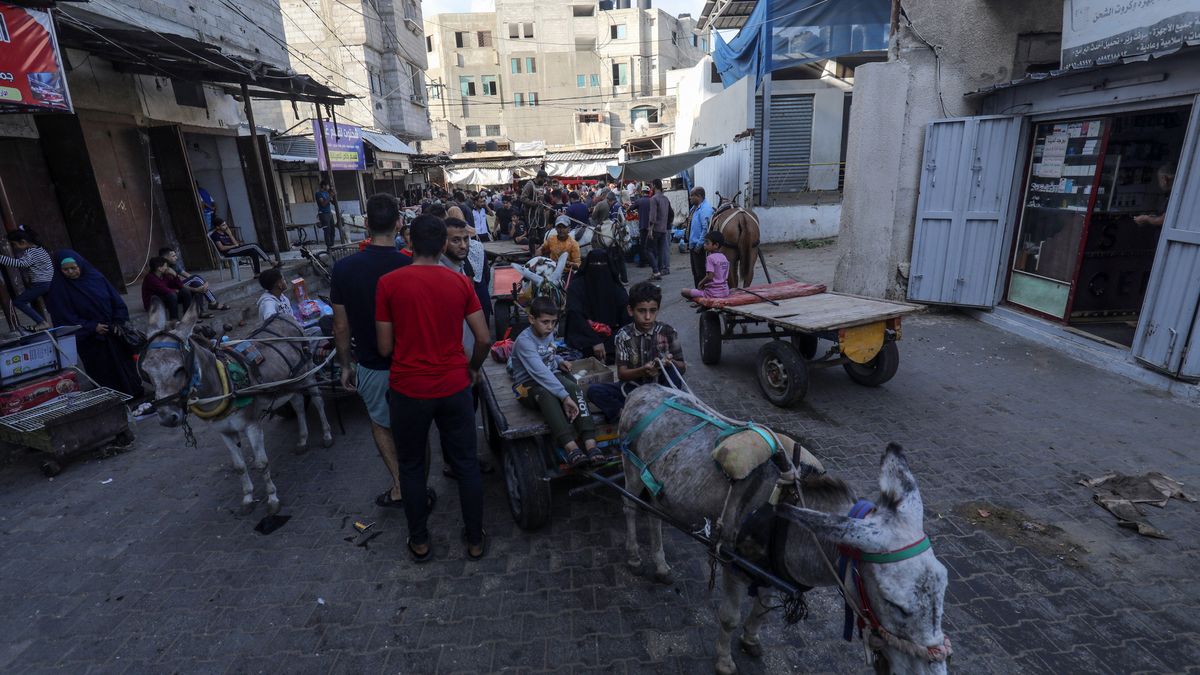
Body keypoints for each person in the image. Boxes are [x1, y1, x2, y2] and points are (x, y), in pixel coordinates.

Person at [376, 214, 492, 562]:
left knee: (411, 466)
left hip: (409, 389)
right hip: (454, 385)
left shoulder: (388, 283)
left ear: (409, 242)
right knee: (466, 464)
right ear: (443, 244)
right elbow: (484, 338)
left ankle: (420, 541)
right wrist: (473, 368)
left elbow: (384, 347)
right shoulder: (460, 282)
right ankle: (475, 539)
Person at [331, 194, 412, 509]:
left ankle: (399, 485)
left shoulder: (343, 269)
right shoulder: (409, 265)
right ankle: (417, 486)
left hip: (370, 364)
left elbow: (341, 326)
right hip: (411, 365)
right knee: (415, 428)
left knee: (381, 424)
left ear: (366, 224)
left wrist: (345, 365)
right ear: (399, 224)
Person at [510, 296, 600, 467]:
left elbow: (548, 353)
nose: (550, 327)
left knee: (574, 388)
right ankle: (571, 448)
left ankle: (591, 444)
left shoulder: (548, 332)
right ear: (531, 319)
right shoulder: (524, 342)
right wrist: (564, 397)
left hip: (550, 375)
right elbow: (540, 371)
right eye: (545, 322)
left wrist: (559, 361)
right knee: (547, 395)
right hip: (527, 385)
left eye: (553, 322)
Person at [45, 250, 142, 398]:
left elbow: (116, 300)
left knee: (126, 366)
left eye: (74, 268)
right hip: (91, 341)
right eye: (66, 269)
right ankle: (113, 399)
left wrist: (118, 321)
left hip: (113, 332)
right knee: (104, 370)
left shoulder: (96, 277)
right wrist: (92, 327)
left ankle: (135, 392)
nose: (70, 272)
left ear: (80, 265)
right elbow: (64, 318)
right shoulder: (58, 290)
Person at [586, 281, 685, 422]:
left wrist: (670, 362)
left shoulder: (668, 331)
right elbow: (622, 374)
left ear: (658, 309)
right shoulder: (623, 335)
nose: (648, 317)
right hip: (632, 390)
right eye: (641, 311)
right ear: (630, 310)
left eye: (653, 311)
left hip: (662, 391)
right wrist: (643, 371)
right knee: (594, 391)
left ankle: (657, 411)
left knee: (672, 371)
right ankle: (627, 417)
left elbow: (682, 367)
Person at [565, 249, 629, 361]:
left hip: (611, 336)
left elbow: (627, 319)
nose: (598, 268)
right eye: (594, 264)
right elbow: (575, 315)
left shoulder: (617, 289)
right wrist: (593, 340)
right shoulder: (576, 287)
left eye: (602, 264)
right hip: (585, 334)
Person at [0, 229, 54, 329]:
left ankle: (42, 323)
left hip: (41, 284)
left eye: (14, 244)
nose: (15, 247)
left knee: (19, 302)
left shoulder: (32, 252)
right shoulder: (40, 249)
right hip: (46, 282)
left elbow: (20, 263)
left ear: (23, 242)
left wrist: (1, 258)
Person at [160, 247, 229, 311]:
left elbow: (188, 276)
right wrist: (204, 282)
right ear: (165, 257)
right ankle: (213, 303)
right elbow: (175, 285)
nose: (176, 257)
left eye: (175, 255)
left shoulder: (174, 265)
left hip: (178, 285)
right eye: (173, 256)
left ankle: (200, 311)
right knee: (196, 278)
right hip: (172, 290)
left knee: (197, 283)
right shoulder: (162, 268)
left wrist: (202, 283)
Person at [142, 255, 210, 319]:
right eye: (166, 266)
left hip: (165, 298)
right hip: (153, 304)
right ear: (159, 268)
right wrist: (175, 290)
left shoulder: (164, 275)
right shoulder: (150, 278)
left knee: (185, 291)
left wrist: (175, 275)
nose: (168, 268)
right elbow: (164, 290)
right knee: (172, 294)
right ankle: (174, 319)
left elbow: (179, 285)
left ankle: (189, 317)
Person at [209, 217, 274, 276]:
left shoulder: (226, 233)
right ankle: (271, 262)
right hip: (228, 252)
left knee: (253, 251)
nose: (226, 226)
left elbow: (236, 243)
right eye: (223, 225)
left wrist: (230, 235)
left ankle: (257, 273)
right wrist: (234, 246)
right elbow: (221, 248)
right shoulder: (215, 235)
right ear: (217, 227)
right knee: (254, 245)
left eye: (225, 224)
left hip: (235, 249)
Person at [680, 231, 731, 301]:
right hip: (725, 292)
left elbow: (710, 276)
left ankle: (700, 301)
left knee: (683, 291)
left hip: (713, 293)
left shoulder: (710, 258)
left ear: (716, 245)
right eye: (704, 243)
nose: (704, 245)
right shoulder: (724, 257)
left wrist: (701, 283)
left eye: (707, 243)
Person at [686, 187, 714, 287]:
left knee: (701, 273)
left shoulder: (705, 209)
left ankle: (703, 293)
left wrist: (699, 245)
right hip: (693, 245)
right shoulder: (694, 208)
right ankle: (698, 292)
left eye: (692, 196)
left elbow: (705, 229)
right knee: (695, 272)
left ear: (699, 196)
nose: (690, 198)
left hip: (699, 247)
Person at [1134, 163, 1176, 227]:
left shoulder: (1174, 196)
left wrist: (1146, 218)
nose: (1159, 183)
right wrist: (1152, 217)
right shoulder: (1171, 194)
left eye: (1159, 180)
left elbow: (1163, 220)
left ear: (1165, 179)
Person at [647, 179, 672, 279]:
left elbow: (652, 216)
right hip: (663, 229)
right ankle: (660, 270)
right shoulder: (665, 198)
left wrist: (650, 230)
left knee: (648, 249)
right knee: (660, 250)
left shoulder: (654, 199)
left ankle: (656, 271)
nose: (651, 187)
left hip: (656, 228)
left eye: (651, 185)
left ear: (654, 186)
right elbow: (669, 214)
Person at [315, 180, 338, 248]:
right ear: (323, 186)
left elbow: (333, 203)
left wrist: (334, 196)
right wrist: (330, 195)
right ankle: (329, 247)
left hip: (329, 213)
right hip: (323, 214)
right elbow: (323, 204)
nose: (328, 187)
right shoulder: (318, 194)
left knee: (332, 230)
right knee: (327, 231)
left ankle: (332, 245)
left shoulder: (327, 193)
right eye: (327, 186)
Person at [635, 186, 653, 268]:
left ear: (642, 192)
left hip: (642, 226)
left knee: (642, 245)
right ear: (648, 193)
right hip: (651, 226)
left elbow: (631, 208)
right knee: (650, 245)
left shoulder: (639, 201)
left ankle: (642, 262)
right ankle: (651, 261)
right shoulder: (652, 200)